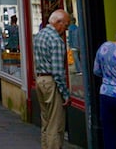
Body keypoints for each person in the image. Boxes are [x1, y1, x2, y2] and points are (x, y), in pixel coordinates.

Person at [33, 9, 72, 149]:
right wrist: (65, 93)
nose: (66, 29)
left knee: (46, 121)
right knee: (56, 124)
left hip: (40, 80)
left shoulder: (39, 35)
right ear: (58, 22)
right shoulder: (56, 40)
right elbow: (57, 72)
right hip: (51, 82)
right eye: (66, 25)